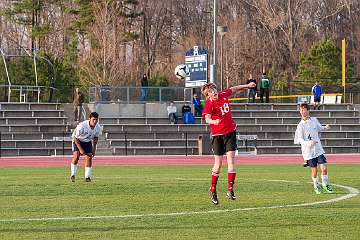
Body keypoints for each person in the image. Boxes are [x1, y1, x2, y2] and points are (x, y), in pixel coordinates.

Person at [201, 81, 256, 205]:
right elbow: (207, 118)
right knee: (219, 163)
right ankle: (213, 190)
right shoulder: (209, 104)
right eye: (210, 92)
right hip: (217, 136)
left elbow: (234, 88)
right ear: (208, 95)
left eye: (214, 90)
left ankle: (230, 190)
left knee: (231, 160)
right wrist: (213, 122)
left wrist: (247, 86)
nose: (214, 92)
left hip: (230, 132)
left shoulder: (223, 94)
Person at [294, 102, 334, 194]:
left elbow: (319, 128)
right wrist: (309, 143)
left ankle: (325, 184)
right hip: (309, 152)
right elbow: (299, 139)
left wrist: (325, 127)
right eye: (301, 110)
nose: (302, 112)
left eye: (304, 110)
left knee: (324, 168)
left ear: (308, 111)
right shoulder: (300, 125)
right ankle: (316, 186)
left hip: (318, 149)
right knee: (314, 170)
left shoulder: (314, 120)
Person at [70, 112, 102, 183]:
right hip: (77, 140)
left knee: (89, 157)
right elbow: (75, 138)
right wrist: (81, 149)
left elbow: (96, 138)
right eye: (93, 119)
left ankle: (87, 177)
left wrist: (94, 149)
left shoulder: (98, 127)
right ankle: (73, 175)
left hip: (87, 141)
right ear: (89, 119)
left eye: (96, 120)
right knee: (76, 156)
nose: (95, 121)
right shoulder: (82, 126)